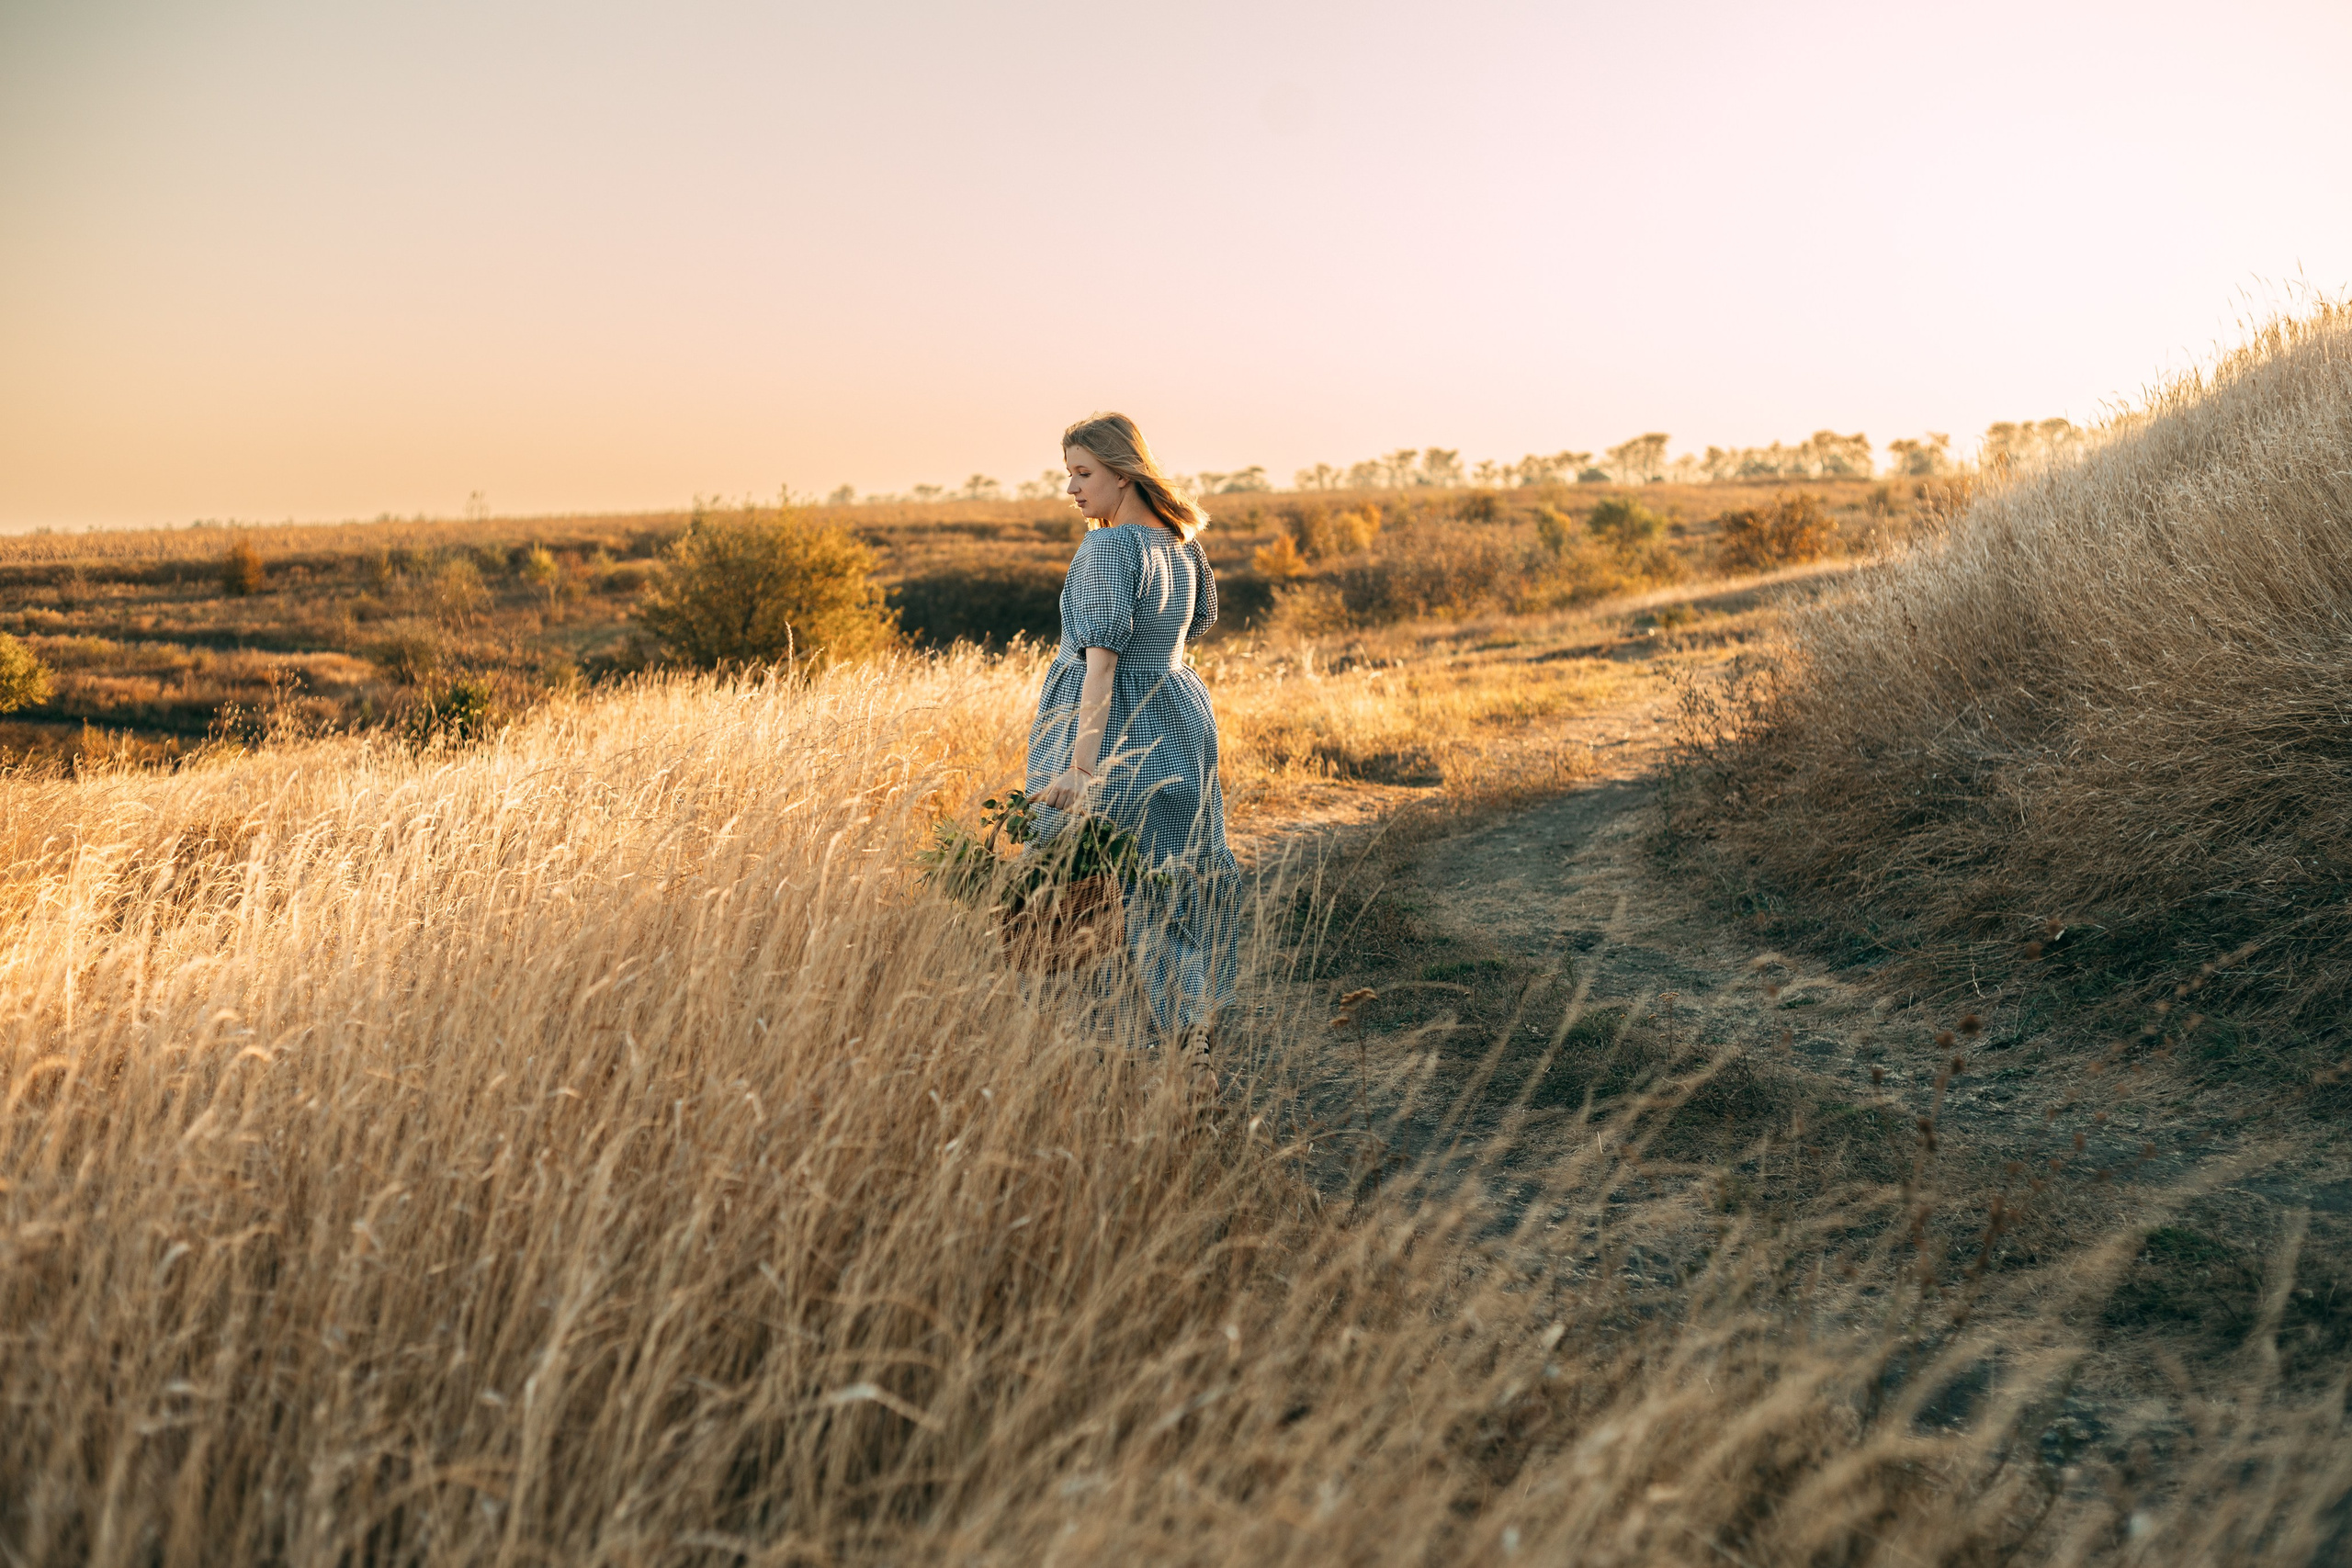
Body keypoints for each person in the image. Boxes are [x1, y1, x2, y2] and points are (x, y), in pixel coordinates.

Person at [1028, 412, 1238, 1062]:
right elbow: (1196, 622)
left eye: (1083, 473)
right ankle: (1191, 1036)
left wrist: (1080, 769)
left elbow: (1103, 664)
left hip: (1110, 729)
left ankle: (1091, 1051)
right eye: (1070, 474)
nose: (1072, 489)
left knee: (1067, 883)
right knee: (1168, 882)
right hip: (1178, 715)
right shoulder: (1182, 545)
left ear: (1123, 472)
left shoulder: (1107, 549)